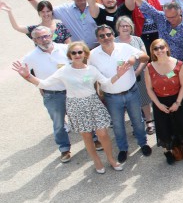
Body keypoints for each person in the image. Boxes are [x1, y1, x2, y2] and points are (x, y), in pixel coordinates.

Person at [13, 41, 129, 174]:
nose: (77, 55)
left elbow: (106, 83)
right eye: (74, 52)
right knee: (86, 136)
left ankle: (111, 159)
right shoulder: (64, 71)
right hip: (75, 105)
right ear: (70, 55)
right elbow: (44, 84)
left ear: (85, 54)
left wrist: (118, 75)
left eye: (80, 52)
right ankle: (97, 161)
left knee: (103, 134)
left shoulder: (91, 69)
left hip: (93, 103)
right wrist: (28, 76)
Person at [88, 24, 151, 163]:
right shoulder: (92, 55)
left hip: (131, 92)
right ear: (97, 39)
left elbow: (146, 57)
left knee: (138, 121)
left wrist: (135, 58)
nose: (106, 38)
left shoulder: (124, 47)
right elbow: (87, 74)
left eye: (108, 34)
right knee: (117, 125)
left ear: (113, 35)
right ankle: (123, 149)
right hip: (111, 97)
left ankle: (143, 143)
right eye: (102, 36)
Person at [20, 26, 72, 161]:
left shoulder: (65, 49)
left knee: (82, 115)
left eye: (46, 36)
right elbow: (24, 73)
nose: (43, 40)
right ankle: (64, 149)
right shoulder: (30, 57)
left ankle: (94, 139)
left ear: (51, 35)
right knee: (59, 123)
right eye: (39, 38)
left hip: (73, 90)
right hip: (52, 94)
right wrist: (33, 81)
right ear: (34, 40)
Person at [144, 39, 183, 164]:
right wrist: (158, 105)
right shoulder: (149, 67)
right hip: (160, 101)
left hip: (177, 99)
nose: (159, 50)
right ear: (152, 52)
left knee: (182, 124)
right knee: (164, 127)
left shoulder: (178, 64)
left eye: (161, 47)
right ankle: (167, 151)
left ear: (167, 48)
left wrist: (177, 102)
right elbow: (149, 88)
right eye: (156, 48)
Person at [21, 0, 97, 47]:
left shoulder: (97, 8)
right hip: (78, 52)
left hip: (97, 48)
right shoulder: (65, 10)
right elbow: (46, 11)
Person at [115, 16, 154, 135]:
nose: (125, 28)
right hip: (124, 76)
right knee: (130, 102)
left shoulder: (137, 40)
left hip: (140, 73)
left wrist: (137, 71)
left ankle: (149, 121)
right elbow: (116, 59)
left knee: (144, 98)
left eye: (127, 25)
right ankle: (136, 125)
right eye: (122, 26)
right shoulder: (115, 42)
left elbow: (145, 56)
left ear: (131, 27)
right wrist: (125, 71)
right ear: (118, 28)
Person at [0, 0, 71, 43]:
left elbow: (68, 46)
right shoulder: (35, 30)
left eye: (48, 11)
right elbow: (17, 27)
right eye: (43, 12)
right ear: (39, 13)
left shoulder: (61, 27)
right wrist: (9, 12)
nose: (46, 14)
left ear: (52, 12)